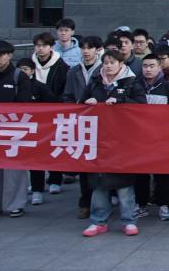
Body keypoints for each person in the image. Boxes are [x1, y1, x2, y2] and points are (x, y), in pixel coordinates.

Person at [81, 49, 146, 237]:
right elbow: (79, 104)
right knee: (99, 183)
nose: (108, 66)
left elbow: (142, 107)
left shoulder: (131, 82)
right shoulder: (95, 82)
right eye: (106, 63)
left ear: (121, 64)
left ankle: (129, 220)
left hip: (124, 139)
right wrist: (88, 102)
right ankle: (98, 221)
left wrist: (121, 100)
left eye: (112, 62)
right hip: (99, 138)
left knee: (124, 184)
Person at [0, 41, 34, 219]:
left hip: (13, 129)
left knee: (14, 170)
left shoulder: (19, 77)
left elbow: (24, 104)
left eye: (1, 55)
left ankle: (15, 204)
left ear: (10, 55)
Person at [137, 54, 169, 221]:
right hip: (139, 138)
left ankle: (164, 205)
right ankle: (140, 204)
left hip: (162, 138)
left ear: (159, 67)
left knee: (162, 174)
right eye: (145, 66)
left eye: (152, 66)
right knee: (140, 174)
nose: (148, 69)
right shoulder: (135, 86)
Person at [62, 35, 103, 219]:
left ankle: (102, 201)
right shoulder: (74, 71)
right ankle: (85, 202)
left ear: (98, 49)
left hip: (102, 122)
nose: (86, 51)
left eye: (90, 48)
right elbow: (67, 95)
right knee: (84, 163)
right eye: (83, 48)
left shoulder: (105, 69)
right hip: (82, 122)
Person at [28, 32, 70, 204]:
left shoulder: (62, 66)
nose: (40, 49)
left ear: (51, 47)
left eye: (44, 45)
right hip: (32, 115)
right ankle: (36, 186)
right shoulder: (29, 64)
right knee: (34, 150)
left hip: (54, 112)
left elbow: (65, 90)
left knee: (54, 147)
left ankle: (55, 179)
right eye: (37, 45)